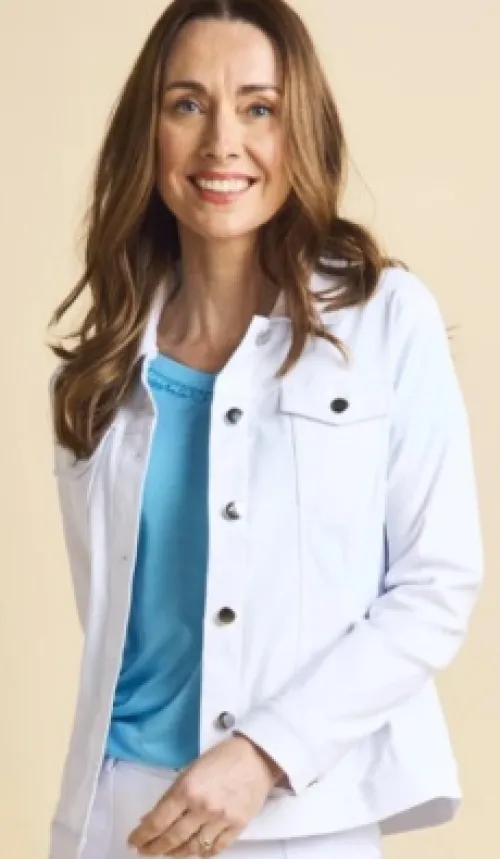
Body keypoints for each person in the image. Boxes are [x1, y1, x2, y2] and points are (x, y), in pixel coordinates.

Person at [46, 0, 483, 857]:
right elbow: (116, 624)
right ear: (149, 132)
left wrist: (263, 751)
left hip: (299, 813)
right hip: (118, 817)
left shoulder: (385, 320)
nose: (222, 143)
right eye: (187, 104)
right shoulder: (98, 371)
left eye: (259, 108)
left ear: (300, 131)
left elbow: (435, 585)